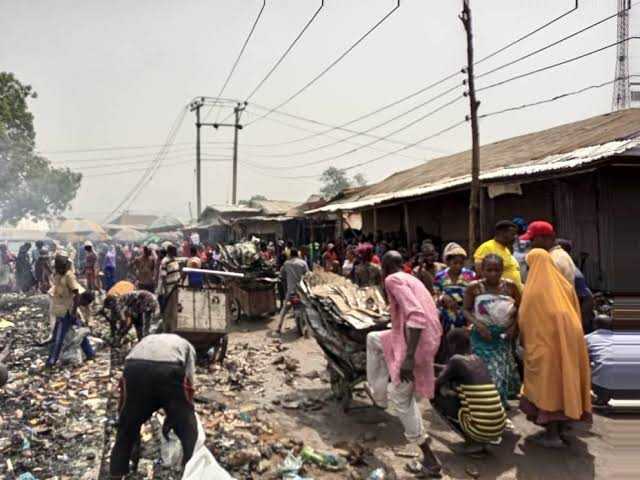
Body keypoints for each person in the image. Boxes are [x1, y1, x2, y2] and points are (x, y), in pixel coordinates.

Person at [366, 251, 442, 477]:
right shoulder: (411, 278)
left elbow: (416, 316)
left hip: (415, 344)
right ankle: (378, 393)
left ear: (385, 265)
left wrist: (408, 358)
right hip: (423, 338)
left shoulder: (392, 279)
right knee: (373, 339)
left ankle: (430, 459)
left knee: (401, 399)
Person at [518, 248, 591, 448]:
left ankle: (552, 436)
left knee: (548, 388)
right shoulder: (565, 286)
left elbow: (525, 320)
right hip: (570, 345)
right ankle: (559, 430)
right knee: (564, 383)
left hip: (545, 347)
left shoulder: (533, 290)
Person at [109, 334, 198, 479]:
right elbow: (189, 383)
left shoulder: (148, 339)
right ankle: (192, 470)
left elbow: (127, 377)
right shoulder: (188, 346)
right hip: (168, 370)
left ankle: (116, 473)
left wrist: (127, 415)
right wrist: (178, 415)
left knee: (127, 427)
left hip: (134, 369)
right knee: (188, 430)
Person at [432, 328, 507, 454]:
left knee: (434, 394)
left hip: (482, 427)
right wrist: (430, 365)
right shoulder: (477, 359)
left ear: (453, 345)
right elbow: (448, 369)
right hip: (498, 426)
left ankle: (473, 442)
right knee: (460, 394)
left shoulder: (456, 360)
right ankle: (481, 441)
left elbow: (438, 382)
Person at [463, 254, 521, 408]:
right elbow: (466, 310)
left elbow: (520, 309)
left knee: (502, 370)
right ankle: (488, 404)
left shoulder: (510, 287)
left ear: (502, 270)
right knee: (487, 370)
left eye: (497, 270)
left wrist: (513, 327)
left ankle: (498, 403)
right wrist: (479, 325)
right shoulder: (474, 288)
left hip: (502, 336)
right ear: (482, 270)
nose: (493, 274)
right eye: (489, 270)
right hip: (482, 336)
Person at [46, 254, 96, 368]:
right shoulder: (58, 275)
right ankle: (90, 354)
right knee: (79, 334)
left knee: (58, 338)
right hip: (61, 309)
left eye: (61, 267)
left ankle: (51, 361)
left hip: (67, 312)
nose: (60, 269)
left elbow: (77, 294)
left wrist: (73, 312)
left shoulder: (69, 276)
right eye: (58, 267)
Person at [585, 315, 640, 406]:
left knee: (589, 363)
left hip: (603, 385)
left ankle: (602, 397)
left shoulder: (588, 338)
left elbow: (582, 361)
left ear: (594, 325)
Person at [434, 242, 476, 332]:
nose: (458, 266)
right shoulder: (440, 276)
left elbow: (475, 294)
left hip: (466, 316)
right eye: (455, 263)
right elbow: (435, 295)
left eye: (461, 263)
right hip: (446, 316)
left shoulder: (470, 275)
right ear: (448, 262)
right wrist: (442, 298)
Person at [474, 221, 522, 291]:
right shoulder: (487, 247)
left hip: (512, 293)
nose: (514, 237)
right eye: (512, 234)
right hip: (498, 294)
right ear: (501, 233)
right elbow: (480, 271)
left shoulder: (506, 249)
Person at [277, 248, 309, 334]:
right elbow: (307, 275)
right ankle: (308, 325)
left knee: (284, 308)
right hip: (302, 289)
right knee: (306, 306)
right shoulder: (303, 263)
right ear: (298, 254)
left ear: (290, 255)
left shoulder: (286, 263)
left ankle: (279, 326)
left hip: (291, 290)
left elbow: (282, 274)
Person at [158, 245, 181, 332]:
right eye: (175, 250)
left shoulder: (174, 260)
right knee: (167, 311)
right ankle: (166, 329)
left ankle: (173, 329)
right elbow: (163, 277)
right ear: (171, 251)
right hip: (169, 289)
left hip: (175, 288)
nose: (177, 252)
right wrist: (166, 291)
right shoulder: (165, 261)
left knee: (174, 310)